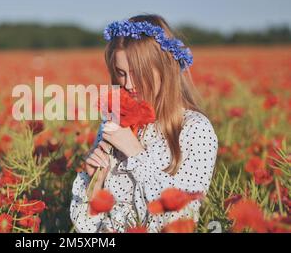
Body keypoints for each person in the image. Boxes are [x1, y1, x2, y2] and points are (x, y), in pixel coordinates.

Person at [70, 14, 218, 233]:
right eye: (121, 73)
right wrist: (95, 186)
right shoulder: (114, 122)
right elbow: (88, 228)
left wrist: (135, 153)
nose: (128, 84)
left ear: (165, 67)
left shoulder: (195, 130)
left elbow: (180, 220)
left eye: (138, 73)